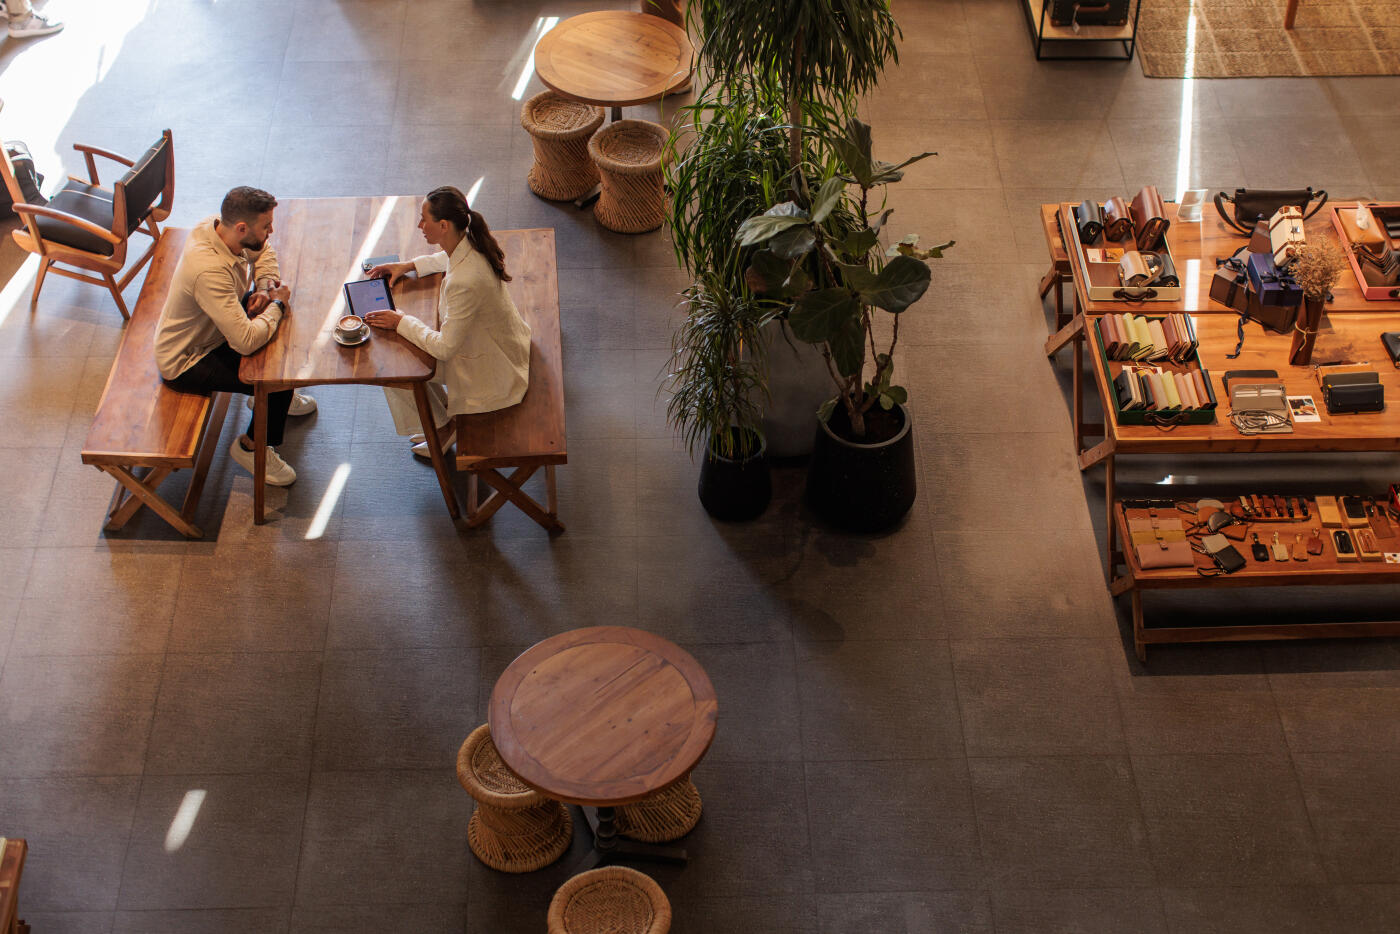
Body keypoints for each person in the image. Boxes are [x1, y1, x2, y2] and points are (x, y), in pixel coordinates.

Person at [154, 186, 316, 486]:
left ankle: (270, 401)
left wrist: (265, 288)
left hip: (214, 328)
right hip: (190, 357)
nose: (271, 231)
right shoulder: (208, 271)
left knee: (280, 344)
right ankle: (251, 447)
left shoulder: (220, 227)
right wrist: (278, 304)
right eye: (266, 226)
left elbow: (263, 251)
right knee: (278, 380)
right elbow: (244, 341)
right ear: (242, 227)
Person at [365, 186, 531, 458]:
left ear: (443, 225)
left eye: (424, 219)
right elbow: (447, 258)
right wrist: (407, 266)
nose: (420, 225)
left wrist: (401, 322)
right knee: (407, 352)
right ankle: (440, 418)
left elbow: (444, 349)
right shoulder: (470, 240)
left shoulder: (464, 283)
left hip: (492, 370)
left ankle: (442, 428)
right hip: (502, 345)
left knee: (393, 369)